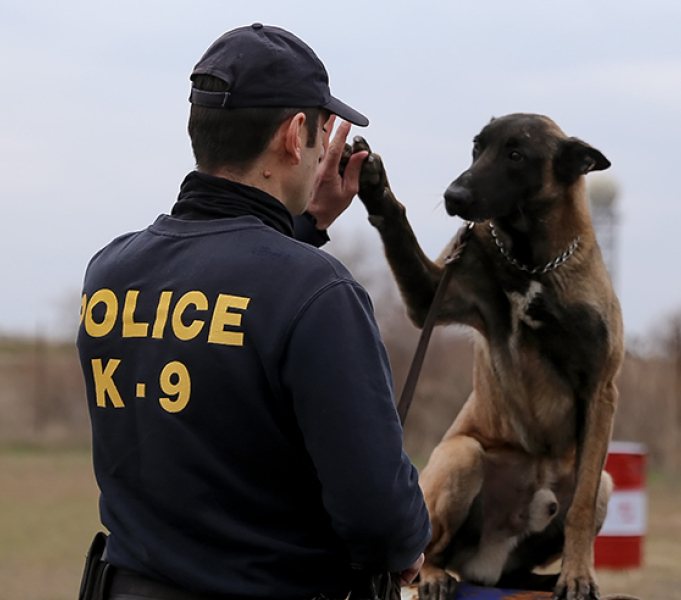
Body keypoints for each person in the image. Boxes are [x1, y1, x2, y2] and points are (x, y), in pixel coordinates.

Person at [76, 23, 430, 600]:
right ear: (295, 136)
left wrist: (301, 229)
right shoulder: (318, 294)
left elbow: (226, 285)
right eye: (318, 138)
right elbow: (378, 517)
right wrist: (408, 539)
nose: (321, 156)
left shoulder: (110, 273)